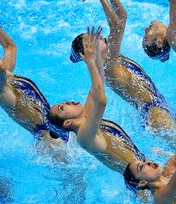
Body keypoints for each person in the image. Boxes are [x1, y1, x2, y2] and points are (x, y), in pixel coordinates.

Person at [71, 0, 176, 138]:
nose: (100, 37)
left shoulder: (113, 58)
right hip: (155, 114)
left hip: (157, 105)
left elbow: (122, 16)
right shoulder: (107, 65)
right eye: (93, 39)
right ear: (89, 52)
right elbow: (117, 27)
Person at [0, 5, 68, 162]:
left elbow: (10, 47)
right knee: (76, 184)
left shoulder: (7, 77)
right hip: (50, 142)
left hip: (58, 130)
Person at [48, 26, 146, 173]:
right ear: (67, 122)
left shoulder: (86, 117)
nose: (67, 102)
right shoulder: (83, 136)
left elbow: (98, 83)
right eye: (63, 107)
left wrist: (97, 57)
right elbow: (101, 101)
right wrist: (89, 63)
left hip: (143, 168)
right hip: (140, 183)